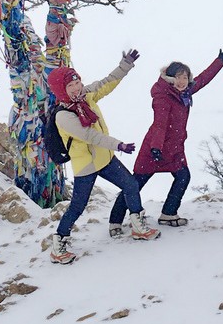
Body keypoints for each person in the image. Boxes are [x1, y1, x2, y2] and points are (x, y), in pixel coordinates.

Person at [46, 49, 159, 265]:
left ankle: (138, 224)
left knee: (131, 185)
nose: (77, 87)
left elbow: (107, 83)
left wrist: (125, 64)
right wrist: (119, 145)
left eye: (77, 81)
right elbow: (90, 136)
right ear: (61, 90)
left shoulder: (85, 97)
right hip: (86, 165)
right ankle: (59, 242)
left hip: (104, 159)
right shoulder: (63, 116)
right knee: (78, 207)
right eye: (70, 85)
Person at [108, 48, 223, 233]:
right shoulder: (163, 97)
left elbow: (204, 78)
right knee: (134, 184)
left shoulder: (185, 92)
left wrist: (220, 60)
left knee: (183, 176)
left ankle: (168, 213)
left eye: (185, 77)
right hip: (155, 149)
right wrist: (156, 148)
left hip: (174, 149)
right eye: (178, 77)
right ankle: (115, 221)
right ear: (170, 78)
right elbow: (160, 124)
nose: (182, 81)